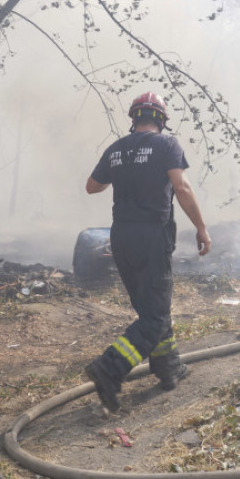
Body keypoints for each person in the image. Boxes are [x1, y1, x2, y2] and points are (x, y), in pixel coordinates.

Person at [83, 92, 211, 412]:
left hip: (121, 237)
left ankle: (169, 368)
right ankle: (108, 368)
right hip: (152, 236)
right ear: (161, 119)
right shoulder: (167, 145)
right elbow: (181, 188)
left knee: (152, 308)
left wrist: (122, 173)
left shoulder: (116, 149)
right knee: (153, 318)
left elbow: (92, 186)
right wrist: (201, 227)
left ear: (134, 118)